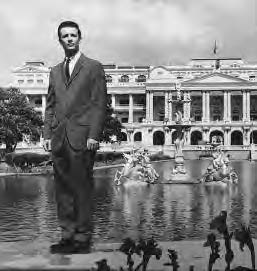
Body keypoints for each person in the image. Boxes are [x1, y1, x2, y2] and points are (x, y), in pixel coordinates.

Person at [43, 21, 107, 254]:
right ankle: (66, 236)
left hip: (82, 137)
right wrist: (47, 133)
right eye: (64, 36)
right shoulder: (54, 71)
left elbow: (99, 104)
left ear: (80, 37)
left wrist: (94, 134)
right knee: (62, 190)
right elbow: (50, 105)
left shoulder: (93, 67)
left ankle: (83, 238)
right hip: (59, 138)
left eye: (73, 35)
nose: (69, 39)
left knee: (81, 188)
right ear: (59, 40)